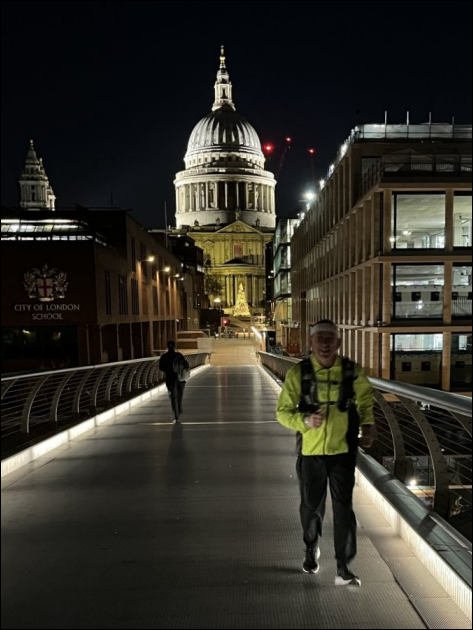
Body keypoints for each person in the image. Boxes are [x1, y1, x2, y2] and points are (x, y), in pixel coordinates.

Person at [276, 320, 375, 586]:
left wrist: (367, 427)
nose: (325, 343)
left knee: (344, 509)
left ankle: (344, 566)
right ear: (311, 343)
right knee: (311, 507)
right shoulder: (300, 374)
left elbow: (365, 402)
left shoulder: (353, 372)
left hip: (343, 451)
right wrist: (305, 421)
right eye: (319, 338)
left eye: (330, 339)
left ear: (338, 344)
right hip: (310, 452)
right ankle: (311, 545)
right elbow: (282, 412)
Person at [159, 341, 189, 424]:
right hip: (181, 379)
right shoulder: (179, 355)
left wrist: (168, 370)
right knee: (179, 396)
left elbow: (161, 368)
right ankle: (179, 409)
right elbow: (185, 365)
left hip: (170, 379)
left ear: (167, 347)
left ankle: (176, 415)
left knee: (173, 397)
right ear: (174, 347)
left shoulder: (164, 356)